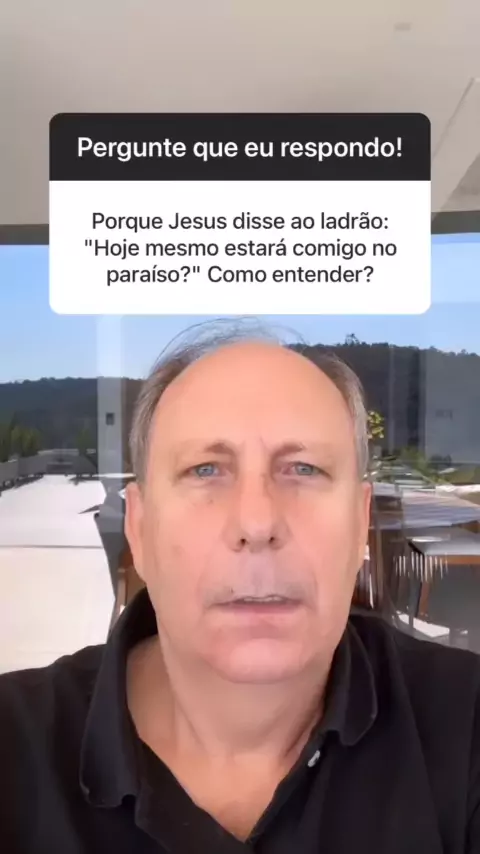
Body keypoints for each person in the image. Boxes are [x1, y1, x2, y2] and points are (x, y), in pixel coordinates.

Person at [1, 321, 479, 853]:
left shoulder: (466, 725)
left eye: (304, 469)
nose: (257, 522)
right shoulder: (13, 747)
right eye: (206, 469)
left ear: (359, 522)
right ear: (139, 527)